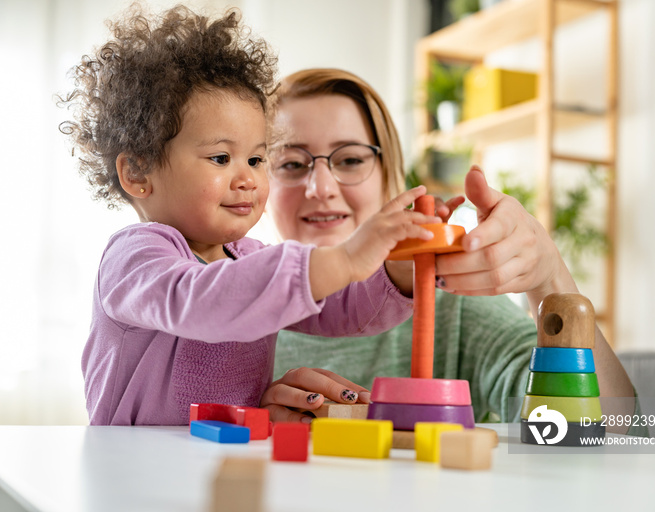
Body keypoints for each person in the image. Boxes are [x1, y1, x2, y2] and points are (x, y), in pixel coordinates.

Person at [57, 7, 442, 426]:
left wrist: (397, 271)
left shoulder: (250, 258)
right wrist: (345, 258)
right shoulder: (135, 257)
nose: (249, 179)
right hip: (135, 466)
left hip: (227, 460)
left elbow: (340, 307)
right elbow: (203, 300)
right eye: (221, 158)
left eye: (258, 159)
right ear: (137, 172)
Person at [261, 68, 638, 428]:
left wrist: (550, 279)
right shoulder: (228, 306)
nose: (321, 187)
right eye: (292, 163)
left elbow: (611, 430)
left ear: (389, 176)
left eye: (350, 159)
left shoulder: (452, 303)